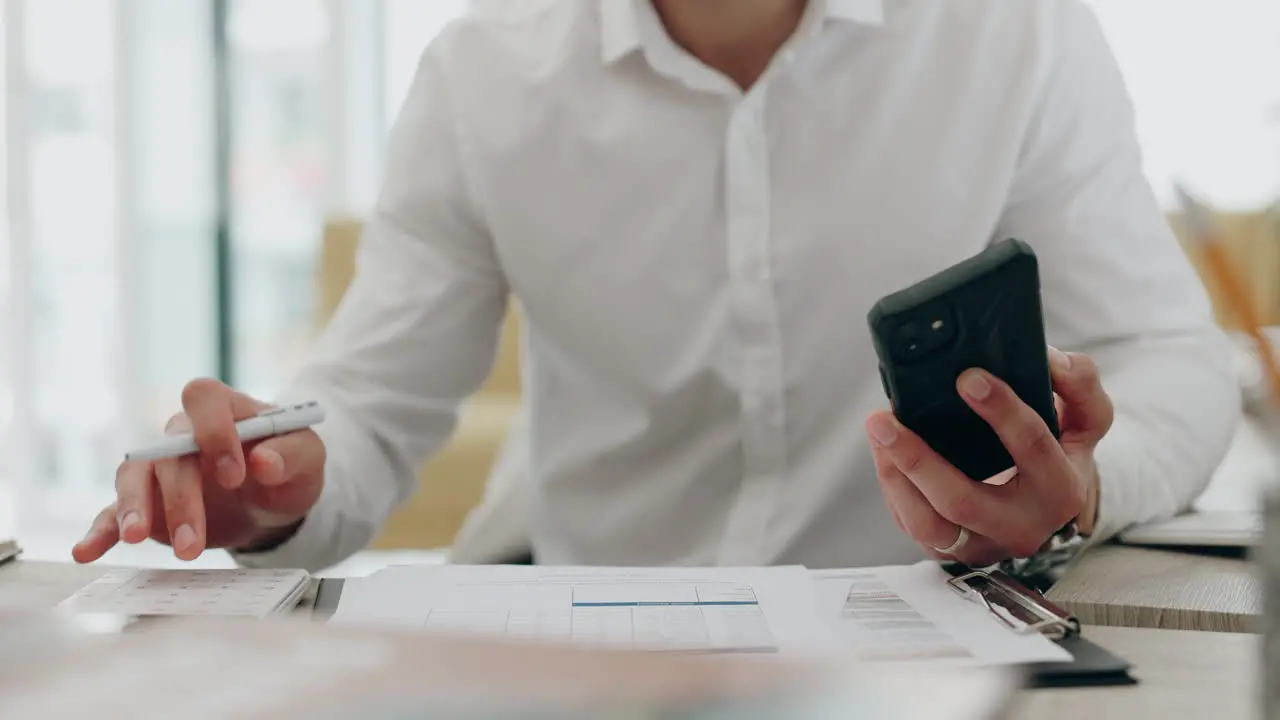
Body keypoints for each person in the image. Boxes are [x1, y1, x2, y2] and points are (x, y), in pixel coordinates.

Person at [75, 0, 1240, 572]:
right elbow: (370, 411)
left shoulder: (1008, 32)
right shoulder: (484, 73)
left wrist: (1085, 484)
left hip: (927, 643)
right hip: (576, 653)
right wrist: (268, 486)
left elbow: (1169, 360)